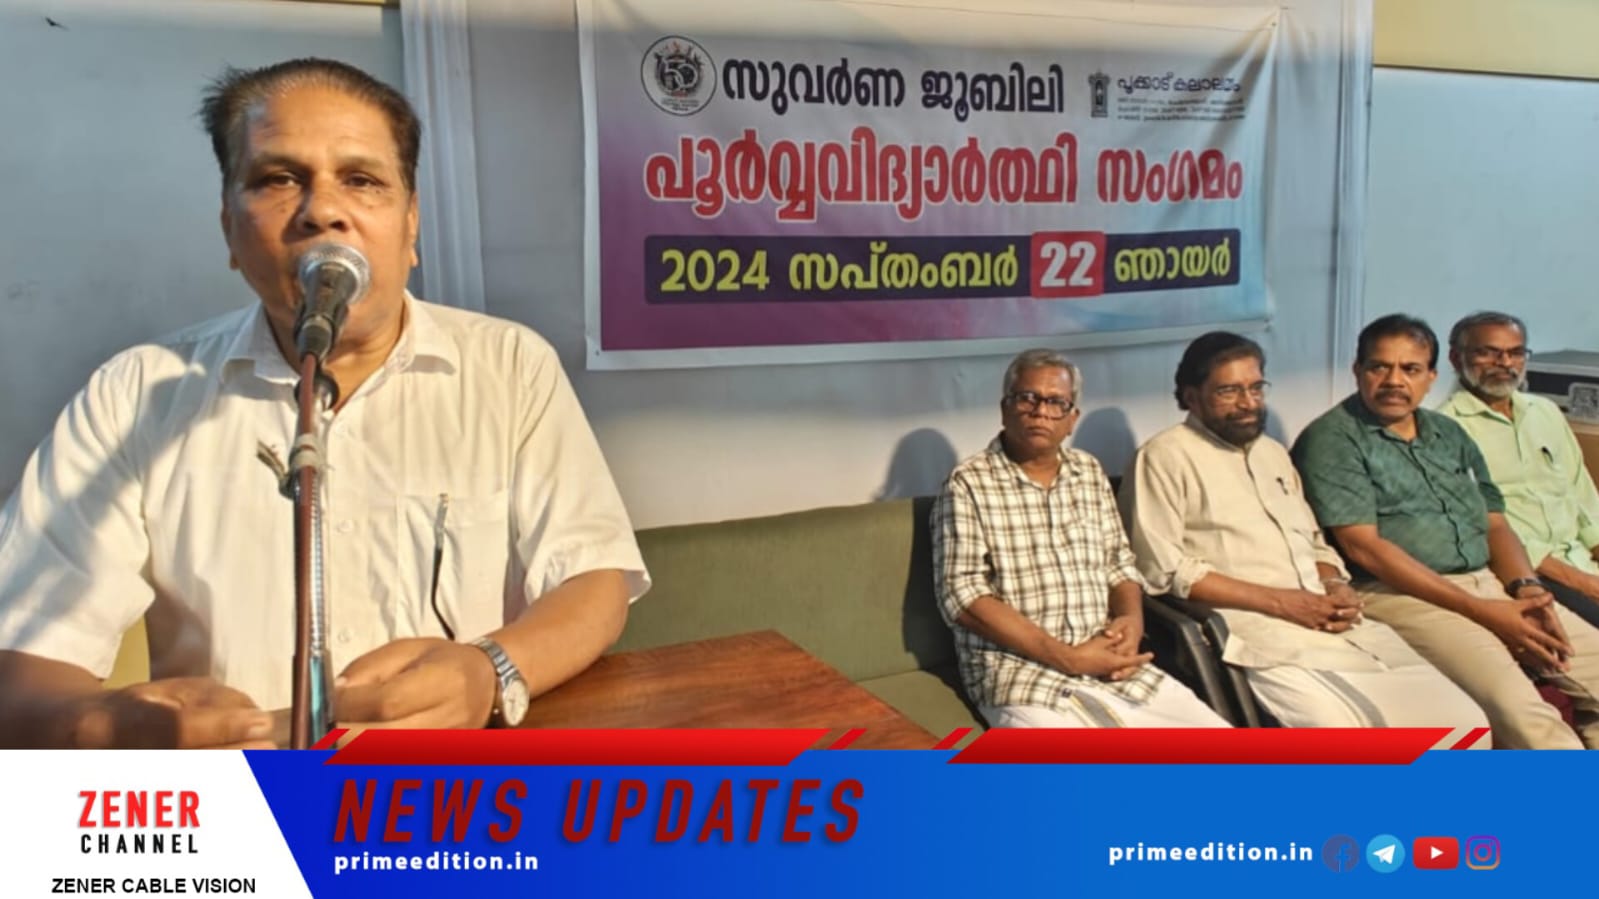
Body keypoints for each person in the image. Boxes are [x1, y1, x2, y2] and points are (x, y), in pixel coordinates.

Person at [0, 58, 649, 748]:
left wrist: (490, 670)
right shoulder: (135, 394)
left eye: (362, 180)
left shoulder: (509, 366)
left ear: (411, 224)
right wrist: (98, 725)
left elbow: (594, 579)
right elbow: (23, 655)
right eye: (279, 179)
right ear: (228, 228)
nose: (322, 211)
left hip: (456, 785)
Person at [1121, 332, 1487, 735]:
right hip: (1259, 635)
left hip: (1338, 626)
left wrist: (1335, 585)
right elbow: (1164, 570)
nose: (1247, 403)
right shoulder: (1164, 457)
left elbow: (1315, 544)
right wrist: (1283, 603)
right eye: (1229, 391)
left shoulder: (1273, 453)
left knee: (1466, 723)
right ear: (1191, 397)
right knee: (1353, 735)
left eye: (1255, 388)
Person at [1292, 314, 1599, 748]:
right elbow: (1365, 548)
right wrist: (1482, 610)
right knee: (1525, 714)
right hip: (1403, 594)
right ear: (1357, 371)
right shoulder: (1333, 439)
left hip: (1490, 582)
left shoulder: (1449, 434)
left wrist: (1526, 588)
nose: (1394, 381)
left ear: (1431, 377)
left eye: (1410, 369)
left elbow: (1494, 521)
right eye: (1380, 367)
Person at [931, 348, 1228, 728]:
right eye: (1027, 398)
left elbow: (1119, 563)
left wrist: (1131, 620)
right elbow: (962, 596)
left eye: (1056, 403)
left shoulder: (1088, 471)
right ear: (1005, 409)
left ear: (1072, 419)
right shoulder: (968, 483)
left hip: (1111, 664)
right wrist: (1067, 658)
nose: (1041, 412)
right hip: (1023, 677)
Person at [1441, 311, 1599, 631]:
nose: (1505, 363)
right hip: (1529, 573)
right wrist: (1583, 582)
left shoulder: (1545, 412)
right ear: (1456, 359)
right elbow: (1480, 527)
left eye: (1515, 352)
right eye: (1488, 353)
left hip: (1582, 560)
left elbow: (1583, 496)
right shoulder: (1445, 429)